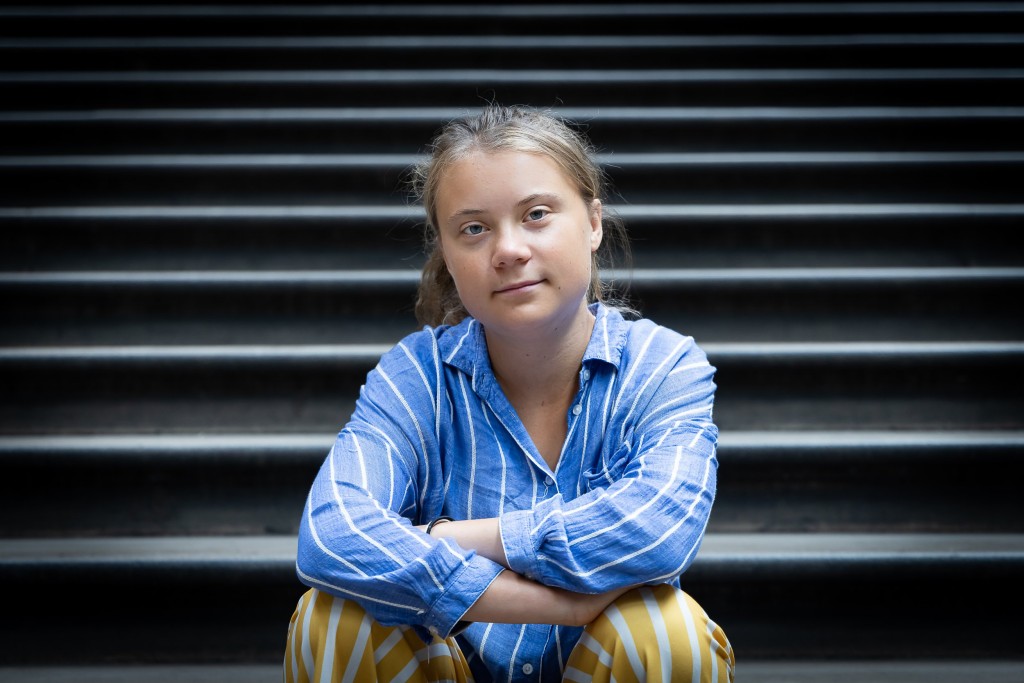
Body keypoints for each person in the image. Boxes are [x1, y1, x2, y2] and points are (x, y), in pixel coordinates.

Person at [284, 104, 735, 683]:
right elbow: (331, 534)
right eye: (474, 228)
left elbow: (659, 529)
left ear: (593, 222)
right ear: (446, 251)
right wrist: (554, 604)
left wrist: (457, 539)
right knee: (332, 618)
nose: (509, 249)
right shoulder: (417, 375)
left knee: (664, 631)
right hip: (448, 669)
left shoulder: (662, 365)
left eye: (537, 214)